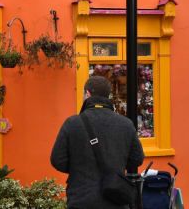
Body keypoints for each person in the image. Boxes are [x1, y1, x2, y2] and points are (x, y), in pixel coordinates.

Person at [51, 76, 145, 209]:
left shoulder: (72, 123)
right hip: (115, 199)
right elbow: (137, 159)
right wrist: (117, 165)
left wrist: (78, 168)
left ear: (87, 94)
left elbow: (57, 160)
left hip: (81, 199)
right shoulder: (125, 124)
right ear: (108, 96)